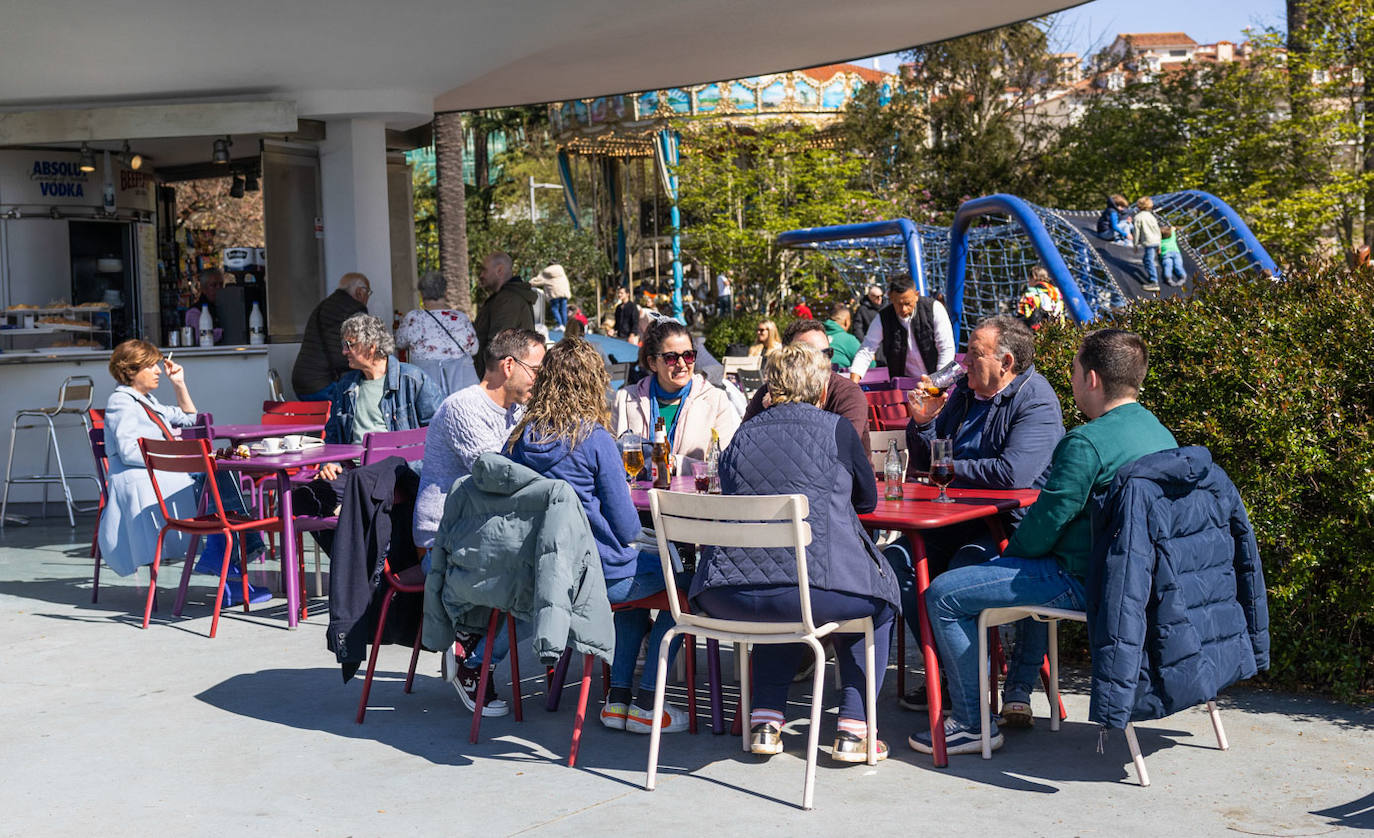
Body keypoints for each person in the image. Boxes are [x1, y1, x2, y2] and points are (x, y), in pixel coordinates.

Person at [910, 328, 1176, 756]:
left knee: (942, 592)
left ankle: (972, 722)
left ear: (1091, 379)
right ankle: (996, 691)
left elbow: (1044, 525)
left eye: (1072, 372)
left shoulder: (1085, 443)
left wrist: (1005, 563)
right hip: (1140, 580)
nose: (1068, 381)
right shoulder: (1159, 433)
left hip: (1081, 578)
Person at [691, 344, 899, 761]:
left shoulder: (742, 435)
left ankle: (765, 721)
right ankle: (855, 728)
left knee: (783, 584)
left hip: (725, 592)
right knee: (879, 598)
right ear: (821, 388)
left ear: (772, 386)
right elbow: (868, 502)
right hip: (807, 588)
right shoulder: (837, 429)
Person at [506, 337, 691, 734]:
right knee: (688, 582)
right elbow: (626, 530)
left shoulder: (520, 441)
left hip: (544, 578)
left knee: (637, 591)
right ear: (592, 383)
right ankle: (647, 700)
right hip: (597, 577)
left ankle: (619, 700)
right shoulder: (593, 439)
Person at [885, 315, 1064, 714]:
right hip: (952, 518)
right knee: (894, 564)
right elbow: (926, 459)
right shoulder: (965, 391)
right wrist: (924, 423)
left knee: (960, 572)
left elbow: (1012, 473)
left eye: (974, 353)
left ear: (1006, 362)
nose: (963, 362)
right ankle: (953, 674)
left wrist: (945, 470)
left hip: (1009, 528)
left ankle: (970, 686)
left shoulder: (1035, 399)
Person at [98, 340, 268, 604]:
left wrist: (179, 384)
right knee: (220, 477)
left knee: (222, 476)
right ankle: (234, 566)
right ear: (131, 370)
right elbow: (129, 451)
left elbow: (190, 417)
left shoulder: (146, 400)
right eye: (151, 365)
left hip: (162, 476)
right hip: (145, 483)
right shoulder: (121, 402)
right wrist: (176, 454)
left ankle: (226, 563)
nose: (158, 371)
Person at [292, 314, 443, 523]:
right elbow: (333, 435)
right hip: (354, 472)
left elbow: (438, 431)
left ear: (371, 346)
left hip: (400, 473)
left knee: (358, 496)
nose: (344, 351)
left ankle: (350, 523)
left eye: (349, 345)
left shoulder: (413, 379)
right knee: (300, 499)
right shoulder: (346, 386)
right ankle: (352, 533)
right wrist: (330, 462)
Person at [414, 328, 546, 547]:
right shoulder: (462, 407)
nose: (539, 379)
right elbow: (498, 478)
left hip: (486, 525)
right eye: (535, 371)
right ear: (509, 366)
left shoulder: (517, 409)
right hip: (445, 539)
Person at [613, 319, 741, 462]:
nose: (682, 364)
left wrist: (674, 464)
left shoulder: (715, 399)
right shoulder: (625, 399)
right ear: (652, 363)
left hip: (693, 484)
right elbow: (611, 459)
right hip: (638, 484)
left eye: (688, 356)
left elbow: (724, 463)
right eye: (671, 358)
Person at [744, 319, 869, 445]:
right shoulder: (769, 391)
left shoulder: (848, 394)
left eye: (827, 353)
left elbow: (842, 449)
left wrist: (778, 415)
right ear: (786, 357)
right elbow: (742, 444)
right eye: (810, 356)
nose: (823, 362)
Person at [849, 275, 955, 383]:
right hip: (904, 384)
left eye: (908, 303)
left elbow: (946, 348)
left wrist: (939, 383)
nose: (903, 309)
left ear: (916, 295)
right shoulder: (883, 317)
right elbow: (866, 350)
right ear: (891, 298)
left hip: (936, 379)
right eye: (898, 304)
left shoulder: (934, 309)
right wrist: (853, 384)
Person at [394, 270, 480, 396]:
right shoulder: (461, 318)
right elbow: (474, 349)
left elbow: (399, 342)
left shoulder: (414, 318)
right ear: (445, 292)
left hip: (426, 391)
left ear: (422, 294)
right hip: (460, 390)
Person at [292, 272, 371, 402]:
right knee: (365, 402)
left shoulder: (325, 304)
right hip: (322, 385)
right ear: (360, 292)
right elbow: (356, 352)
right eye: (368, 293)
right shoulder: (354, 309)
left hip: (303, 382)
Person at [472, 252, 537, 378]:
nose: (481, 275)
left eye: (484, 270)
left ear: (499, 270)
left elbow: (498, 347)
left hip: (500, 383)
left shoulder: (508, 300)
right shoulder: (506, 298)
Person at [184, 268, 224, 343]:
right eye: (213, 285)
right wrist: (222, 333)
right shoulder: (194, 312)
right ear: (204, 288)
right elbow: (199, 337)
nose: (219, 288)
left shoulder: (225, 307)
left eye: (221, 284)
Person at [1132, 196, 1162, 290]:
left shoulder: (1138, 217)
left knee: (1149, 261)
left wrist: (1135, 244)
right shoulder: (1151, 216)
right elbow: (1157, 230)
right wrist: (1159, 245)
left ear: (1139, 206)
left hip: (1149, 242)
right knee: (1146, 260)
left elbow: (1136, 232)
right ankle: (1151, 277)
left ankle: (1154, 282)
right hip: (1156, 240)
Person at [822, 302, 862, 369]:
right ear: (846, 322)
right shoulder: (848, 340)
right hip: (839, 377)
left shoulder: (816, 336)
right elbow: (869, 365)